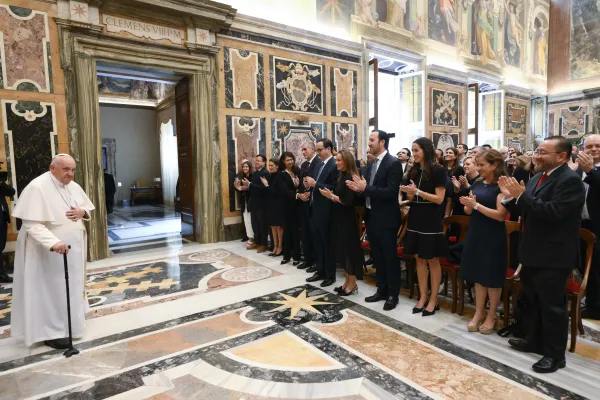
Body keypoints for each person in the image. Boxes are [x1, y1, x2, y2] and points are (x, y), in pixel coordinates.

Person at [500, 136, 585, 373]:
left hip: (554, 254)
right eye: (537, 151)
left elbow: (554, 212)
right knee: (533, 300)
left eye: (543, 152)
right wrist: (509, 196)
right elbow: (525, 209)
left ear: (562, 156)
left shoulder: (570, 180)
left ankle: (555, 355)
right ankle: (534, 340)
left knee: (553, 307)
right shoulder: (538, 177)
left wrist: (522, 196)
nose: (536, 156)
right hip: (533, 250)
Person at [11, 154, 95, 349]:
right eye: (66, 169)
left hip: (71, 252)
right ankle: (51, 331)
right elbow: (31, 223)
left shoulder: (72, 186)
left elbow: (86, 208)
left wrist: (83, 213)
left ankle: (71, 324)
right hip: (47, 252)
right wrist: (53, 242)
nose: (70, 174)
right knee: (50, 290)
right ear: (52, 168)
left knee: (70, 287)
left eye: (73, 170)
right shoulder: (37, 187)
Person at [348, 130, 403, 310]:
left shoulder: (393, 163)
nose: (369, 143)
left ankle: (393, 295)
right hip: (371, 216)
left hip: (387, 218)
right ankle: (381, 289)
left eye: (372, 140)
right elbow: (367, 189)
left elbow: (390, 192)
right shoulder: (371, 165)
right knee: (378, 256)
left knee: (389, 257)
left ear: (383, 142)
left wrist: (366, 188)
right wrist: (359, 189)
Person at [459, 150, 509, 334]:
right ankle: (479, 312)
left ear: (494, 165)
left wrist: (476, 206)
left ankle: (492, 315)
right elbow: (468, 212)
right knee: (479, 275)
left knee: (491, 277)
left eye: (481, 165)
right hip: (476, 233)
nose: (478, 168)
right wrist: (468, 204)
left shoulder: (501, 185)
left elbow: (500, 216)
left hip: (493, 235)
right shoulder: (478, 183)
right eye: (477, 165)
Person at [401, 137, 448, 316]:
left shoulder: (438, 170)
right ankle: (422, 296)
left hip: (431, 218)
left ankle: (433, 298)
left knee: (432, 259)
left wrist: (418, 192)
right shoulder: (414, 170)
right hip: (416, 216)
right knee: (419, 259)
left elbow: (439, 199)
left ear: (426, 151)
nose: (413, 155)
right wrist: (407, 196)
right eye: (412, 151)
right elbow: (414, 198)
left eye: (416, 151)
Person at [320, 150, 363, 296]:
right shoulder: (342, 175)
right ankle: (347, 282)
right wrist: (331, 194)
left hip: (347, 219)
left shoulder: (351, 176)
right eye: (336, 160)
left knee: (349, 252)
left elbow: (348, 201)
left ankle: (353, 284)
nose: (336, 163)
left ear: (347, 161)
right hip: (339, 217)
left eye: (339, 160)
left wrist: (330, 196)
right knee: (343, 251)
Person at [305, 138, 339, 287]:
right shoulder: (319, 164)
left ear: (328, 149)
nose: (317, 153)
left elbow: (334, 187)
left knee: (327, 244)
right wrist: (309, 185)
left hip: (327, 211)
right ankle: (320, 270)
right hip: (315, 209)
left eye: (319, 150)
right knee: (318, 243)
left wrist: (316, 184)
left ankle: (330, 275)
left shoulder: (334, 164)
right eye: (317, 150)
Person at [578, 134, 600, 319]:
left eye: (597, 146)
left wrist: (592, 171)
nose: (593, 149)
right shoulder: (578, 169)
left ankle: (596, 307)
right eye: (589, 146)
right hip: (580, 224)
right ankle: (590, 303)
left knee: (598, 268)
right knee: (586, 267)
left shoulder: (590, 170)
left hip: (598, 225)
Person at [297, 142, 320, 271]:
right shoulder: (304, 164)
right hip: (304, 203)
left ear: (312, 149)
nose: (303, 152)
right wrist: (301, 192)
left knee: (314, 234)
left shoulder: (318, 162)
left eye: (305, 149)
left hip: (314, 203)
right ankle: (307, 259)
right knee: (305, 233)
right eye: (302, 150)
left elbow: (318, 182)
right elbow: (302, 181)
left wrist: (309, 192)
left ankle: (316, 262)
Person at [277, 152, 302, 265]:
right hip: (286, 206)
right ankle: (286, 255)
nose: (290, 162)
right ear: (283, 161)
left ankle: (296, 256)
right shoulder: (281, 174)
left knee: (296, 232)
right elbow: (284, 190)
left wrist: (298, 186)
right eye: (288, 160)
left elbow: (300, 186)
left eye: (291, 159)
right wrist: (296, 193)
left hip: (297, 206)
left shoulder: (297, 171)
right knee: (287, 232)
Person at [244, 155, 270, 253]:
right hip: (254, 203)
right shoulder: (255, 173)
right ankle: (257, 242)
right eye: (256, 161)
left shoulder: (265, 173)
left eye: (259, 161)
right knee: (255, 224)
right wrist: (246, 187)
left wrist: (250, 184)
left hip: (262, 204)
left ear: (264, 162)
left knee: (262, 225)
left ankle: (263, 244)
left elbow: (263, 189)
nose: (256, 162)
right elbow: (253, 188)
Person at [262, 158, 284, 257]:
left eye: (272, 165)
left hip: (278, 205)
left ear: (277, 166)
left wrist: (266, 186)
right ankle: (275, 246)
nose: (270, 167)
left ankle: (280, 247)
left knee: (278, 227)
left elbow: (277, 192)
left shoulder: (280, 176)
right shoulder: (270, 176)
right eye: (269, 165)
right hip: (270, 204)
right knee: (272, 226)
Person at [234, 160, 253, 247]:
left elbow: (254, 188)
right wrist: (239, 187)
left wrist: (246, 188)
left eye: (246, 166)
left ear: (250, 167)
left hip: (252, 202)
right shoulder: (241, 175)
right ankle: (250, 238)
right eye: (243, 166)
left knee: (252, 220)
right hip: (244, 201)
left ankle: (253, 239)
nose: (245, 168)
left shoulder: (253, 175)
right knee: (246, 220)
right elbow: (238, 187)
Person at [0, 169, 15, 283]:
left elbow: (11, 191)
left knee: (1, 245)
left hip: (2, 218)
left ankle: (1, 273)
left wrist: (1, 182)